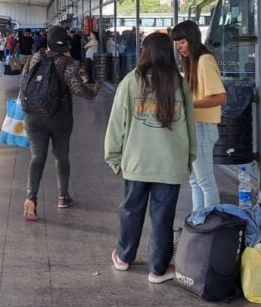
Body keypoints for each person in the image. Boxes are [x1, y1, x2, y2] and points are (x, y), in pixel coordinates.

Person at [104, 32, 196, 283]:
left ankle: (124, 257)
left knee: (131, 211)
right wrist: (189, 158)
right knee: (163, 217)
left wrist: (113, 158)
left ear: (144, 52)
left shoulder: (130, 81)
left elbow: (116, 123)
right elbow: (190, 126)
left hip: (136, 162)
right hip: (171, 164)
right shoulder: (180, 83)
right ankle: (157, 269)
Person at [20, 25, 99, 220]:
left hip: (34, 116)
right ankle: (63, 196)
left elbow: (23, 85)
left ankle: (31, 198)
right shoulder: (67, 63)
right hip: (60, 116)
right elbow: (78, 89)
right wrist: (92, 92)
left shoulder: (34, 59)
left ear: (48, 42)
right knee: (61, 155)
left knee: (37, 157)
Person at [171, 20, 226, 215]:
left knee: (204, 181)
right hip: (195, 126)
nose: (179, 47)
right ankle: (198, 219)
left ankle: (211, 223)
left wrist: (188, 105)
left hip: (203, 126)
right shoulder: (192, 62)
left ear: (192, 39)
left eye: (182, 42)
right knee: (195, 181)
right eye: (176, 43)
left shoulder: (205, 61)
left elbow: (220, 97)